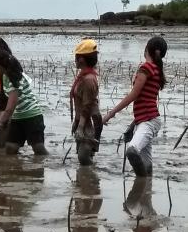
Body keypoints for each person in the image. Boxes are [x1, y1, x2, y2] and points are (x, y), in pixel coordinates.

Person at [102, 36, 167, 176]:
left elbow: (134, 95)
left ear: (148, 50)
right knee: (146, 164)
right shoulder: (156, 69)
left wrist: (110, 114)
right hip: (147, 119)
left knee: (132, 150)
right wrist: (133, 125)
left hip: (148, 121)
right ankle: (145, 191)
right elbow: (146, 100)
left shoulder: (146, 68)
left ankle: (141, 183)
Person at [0, 46, 47, 155]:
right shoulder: (7, 75)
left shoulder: (12, 77)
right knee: (11, 148)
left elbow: (11, 106)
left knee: (38, 148)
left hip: (32, 116)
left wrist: (1, 122)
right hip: (18, 117)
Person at [71, 38, 103, 166]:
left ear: (82, 60)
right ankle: (84, 182)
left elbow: (87, 106)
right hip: (83, 120)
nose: (75, 60)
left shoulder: (88, 79)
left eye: (76, 57)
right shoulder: (82, 76)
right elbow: (80, 103)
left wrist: (80, 127)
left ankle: (92, 179)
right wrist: (76, 122)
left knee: (83, 157)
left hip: (90, 122)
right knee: (83, 156)